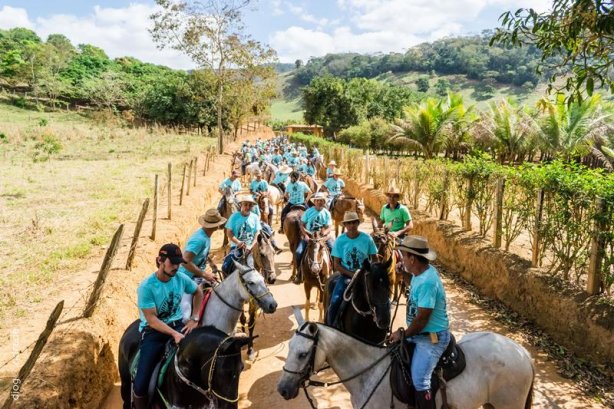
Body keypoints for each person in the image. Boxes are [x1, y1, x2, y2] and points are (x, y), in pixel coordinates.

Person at [134, 244, 204, 409]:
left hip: (179, 325)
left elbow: (198, 292)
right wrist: (175, 334)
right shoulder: (147, 287)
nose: (176, 267)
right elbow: (151, 320)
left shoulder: (180, 278)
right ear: (160, 261)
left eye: (178, 263)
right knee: (141, 383)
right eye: (172, 263)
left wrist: (195, 318)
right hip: (154, 333)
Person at [388, 236, 450, 409]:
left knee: (420, 379)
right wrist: (403, 275)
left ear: (412, 259)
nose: (402, 259)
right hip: (419, 334)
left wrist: (403, 334)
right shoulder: (419, 273)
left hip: (431, 338)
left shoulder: (428, 282)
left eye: (404, 256)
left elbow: (422, 319)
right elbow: (414, 286)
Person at [326, 211, 377, 326]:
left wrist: (370, 273)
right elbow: (337, 265)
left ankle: (384, 327)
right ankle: (330, 327)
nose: (352, 225)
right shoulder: (340, 240)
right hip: (346, 276)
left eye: (354, 222)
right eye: (349, 223)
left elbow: (375, 259)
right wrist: (352, 274)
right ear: (345, 225)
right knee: (335, 301)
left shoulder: (367, 239)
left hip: (365, 275)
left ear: (358, 223)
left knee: (383, 300)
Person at [178, 209, 227, 323]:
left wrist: (211, 266)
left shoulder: (206, 236)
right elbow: (185, 261)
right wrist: (205, 275)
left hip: (197, 276)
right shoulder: (199, 239)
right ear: (215, 225)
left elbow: (200, 256)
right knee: (185, 317)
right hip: (186, 278)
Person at [294, 192, 334, 284]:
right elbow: (302, 224)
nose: (319, 202)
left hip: (322, 237)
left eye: (321, 201)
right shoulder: (308, 211)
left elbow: (329, 227)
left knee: (333, 250)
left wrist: (325, 233)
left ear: (324, 202)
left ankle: (334, 273)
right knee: (298, 252)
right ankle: (299, 274)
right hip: (310, 237)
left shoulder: (326, 213)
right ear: (314, 202)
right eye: (317, 201)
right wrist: (305, 235)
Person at [221, 194, 262, 275]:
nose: (248, 207)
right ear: (241, 205)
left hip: (252, 247)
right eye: (245, 204)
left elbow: (257, 233)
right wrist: (238, 242)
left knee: (264, 261)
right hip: (236, 247)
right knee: (225, 267)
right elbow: (229, 232)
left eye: (250, 205)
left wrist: (251, 246)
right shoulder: (234, 216)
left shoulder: (255, 217)